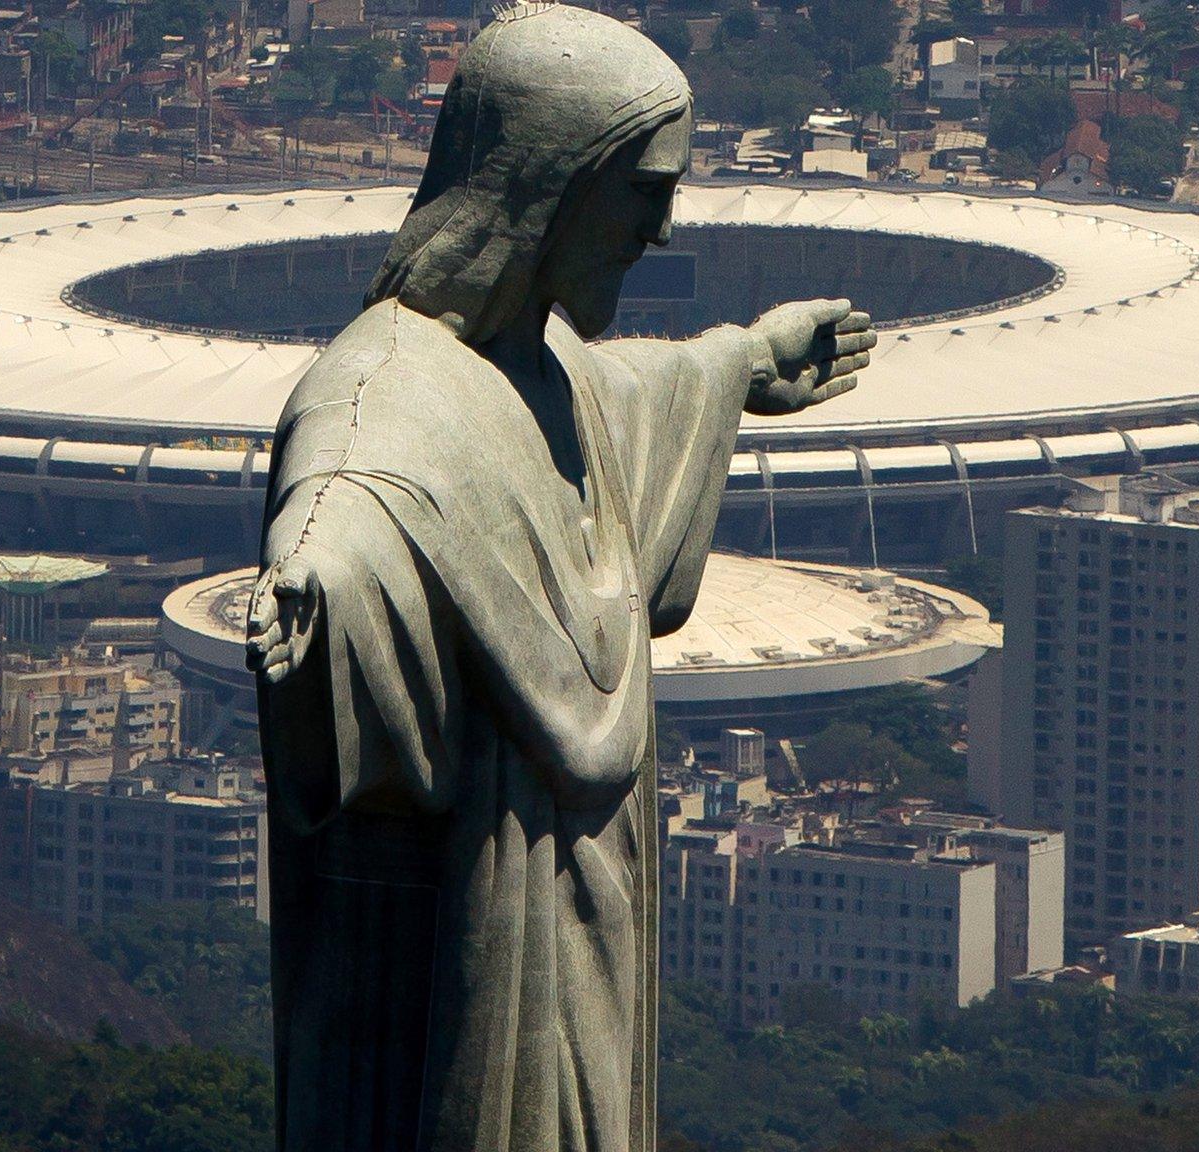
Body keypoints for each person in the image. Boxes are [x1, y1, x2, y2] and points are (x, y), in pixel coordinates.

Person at [247, 6, 873, 1149]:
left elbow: (615, 409)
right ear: (549, 185)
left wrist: (734, 365)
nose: (658, 229)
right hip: (473, 961)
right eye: (643, 191)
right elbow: (348, 502)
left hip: (584, 933)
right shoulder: (387, 391)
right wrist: (313, 593)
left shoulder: (541, 371)